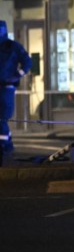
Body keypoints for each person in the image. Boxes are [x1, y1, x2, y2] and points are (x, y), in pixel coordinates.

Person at [0, 20, 32, 163]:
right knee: (2, 118)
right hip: (6, 85)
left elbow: (27, 62)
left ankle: (5, 145)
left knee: (3, 117)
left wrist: (17, 74)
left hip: (7, 86)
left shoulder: (12, 46)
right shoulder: (12, 46)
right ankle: (7, 144)